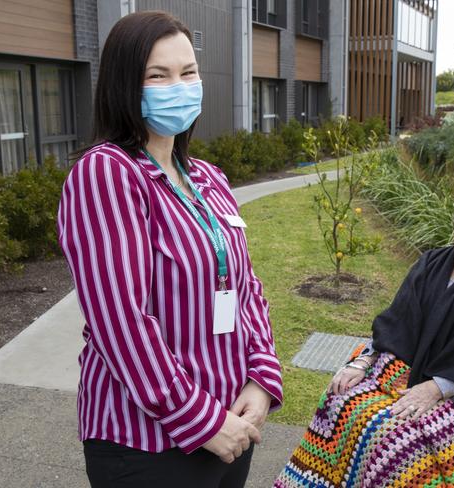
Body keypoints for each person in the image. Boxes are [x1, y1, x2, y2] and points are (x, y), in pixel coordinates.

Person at [58, 11, 282, 487]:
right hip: (149, 442)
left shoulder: (207, 177)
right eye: (157, 75)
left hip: (232, 423)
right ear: (125, 85)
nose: (178, 86)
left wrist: (261, 379)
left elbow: (246, 288)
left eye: (188, 72)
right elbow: (121, 322)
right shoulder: (108, 174)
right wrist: (200, 419)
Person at [275, 194, 454, 488]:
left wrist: (438, 387)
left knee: (389, 439)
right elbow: (397, 322)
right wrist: (363, 361)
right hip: (408, 373)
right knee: (340, 400)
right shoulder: (432, 262)